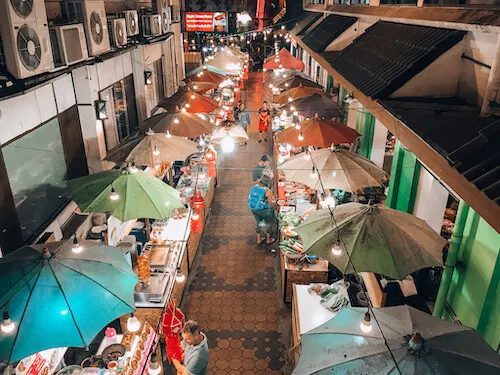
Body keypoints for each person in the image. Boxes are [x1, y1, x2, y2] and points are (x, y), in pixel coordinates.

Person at [248, 175, 277, 244]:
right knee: (268, 223)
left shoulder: (254, 187)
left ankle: (259, 239)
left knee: (259, 222)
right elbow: (270, 202)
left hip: (254, 209)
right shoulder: (267, 190)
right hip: (264, 210)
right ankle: (268, 239)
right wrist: (275, 201)